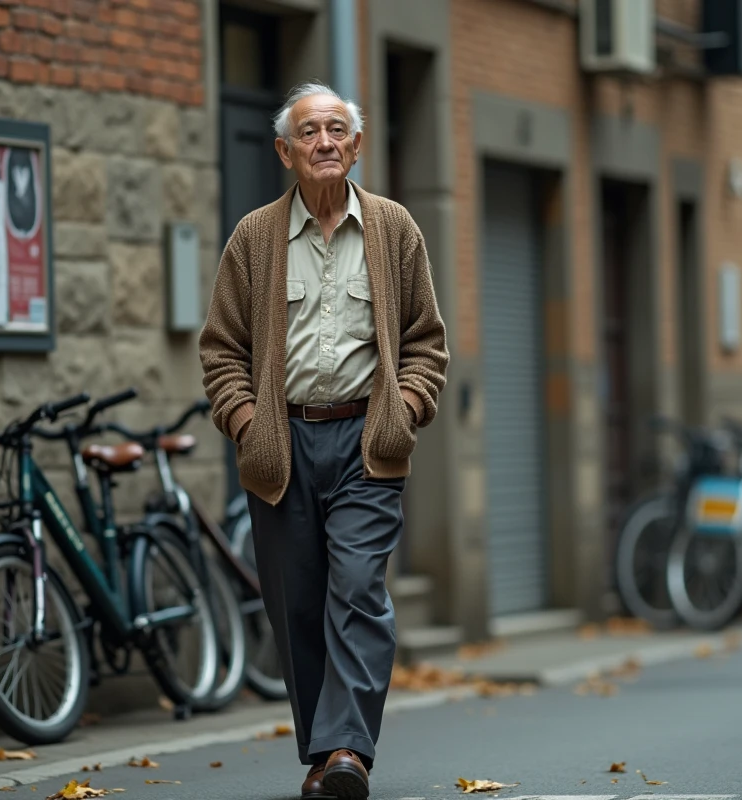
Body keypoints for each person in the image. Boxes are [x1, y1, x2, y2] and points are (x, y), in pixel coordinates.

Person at [199, 80, 449, 800]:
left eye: (337, 129)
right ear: (285, 151)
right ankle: (323, 754)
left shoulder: (395, 229)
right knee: (298, 605)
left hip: (368, 444)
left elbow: (427, 343)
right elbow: (220, 352)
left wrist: (404, 409)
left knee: (358, 592)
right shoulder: (253, 238)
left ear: (358, 144)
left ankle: (346, 752)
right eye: (309, 132)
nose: (325, 143)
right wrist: (249, 427)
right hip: (282, 450)